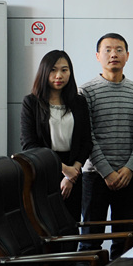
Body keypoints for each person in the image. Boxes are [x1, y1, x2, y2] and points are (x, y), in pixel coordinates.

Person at [79, 33, 133, 259]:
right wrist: (107, 172)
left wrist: (129, 168)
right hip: (95, 177)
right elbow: (86, 136)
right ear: (97, 56)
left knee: (125, 241)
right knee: (90, 241)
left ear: (127, 55)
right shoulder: (86, 91)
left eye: (119, 50)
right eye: (107, 50)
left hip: (130, 176)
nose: (113, 54)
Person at [20, 50, 92, 222]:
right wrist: (64, 170)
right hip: (43, 169)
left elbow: (86, 141)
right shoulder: (31, 102)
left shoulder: (79, 102)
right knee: (46, 225)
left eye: (64, 70)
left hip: (74, 170)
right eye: (53, 70)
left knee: (71, 223)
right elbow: (29, 144)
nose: (59, 75)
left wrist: (72, 174)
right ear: (44, 72)